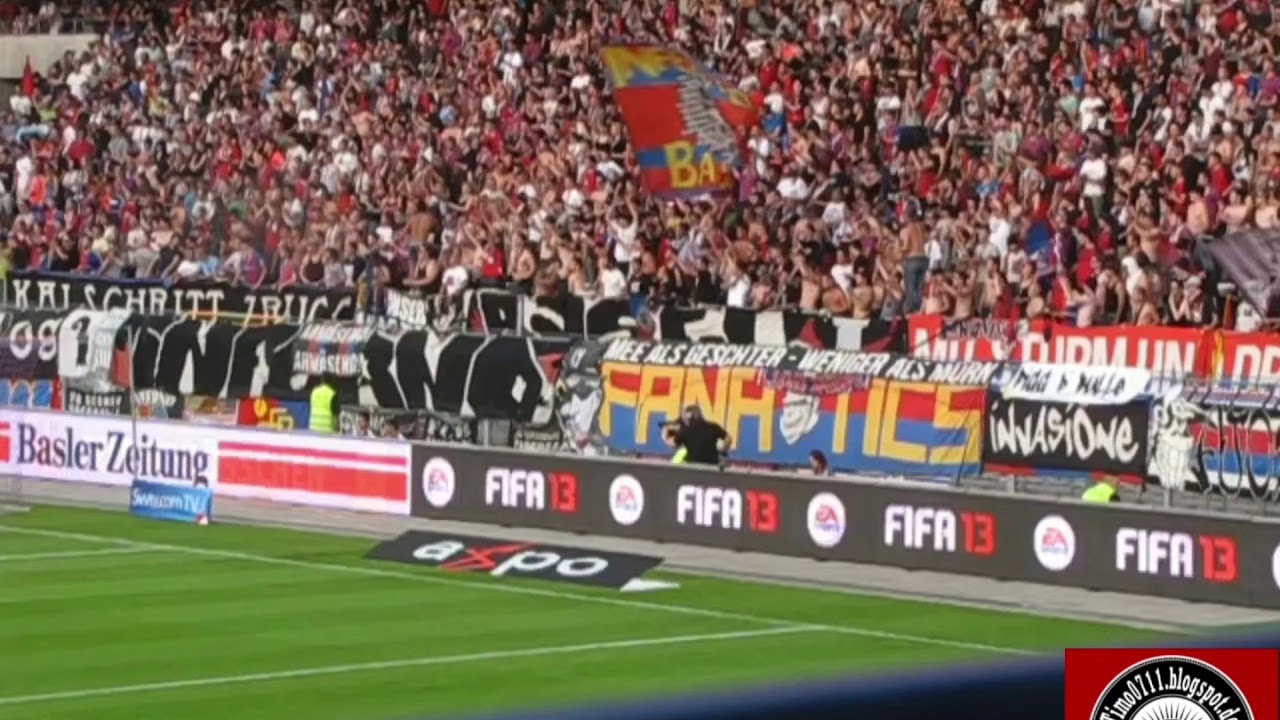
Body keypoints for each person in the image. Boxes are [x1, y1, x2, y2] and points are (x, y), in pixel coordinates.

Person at [663, 405, 731, 467]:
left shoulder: (686, 430)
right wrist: (723, 450)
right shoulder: (714, 427)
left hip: (692, 464)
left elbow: (672, 444)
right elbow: (728, 438)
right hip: (712, 464)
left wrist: (664, 435)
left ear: (689, 416)